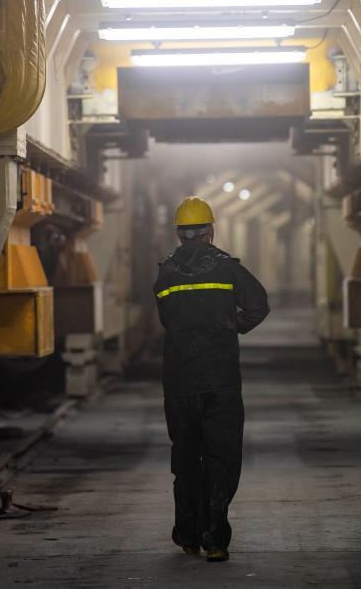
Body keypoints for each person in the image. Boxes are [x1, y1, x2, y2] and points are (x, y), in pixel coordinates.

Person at [153, 195, 269, 563]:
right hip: (220, 379)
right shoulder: (226, 268)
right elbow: (259, 304)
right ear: (210, 231)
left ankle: (187, 534)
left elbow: (166, 319)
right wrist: (232, 326)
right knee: (221, 458)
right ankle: (215, 539)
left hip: (180, 380)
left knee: (185, 459)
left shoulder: (166, 271)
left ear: (180, 233)